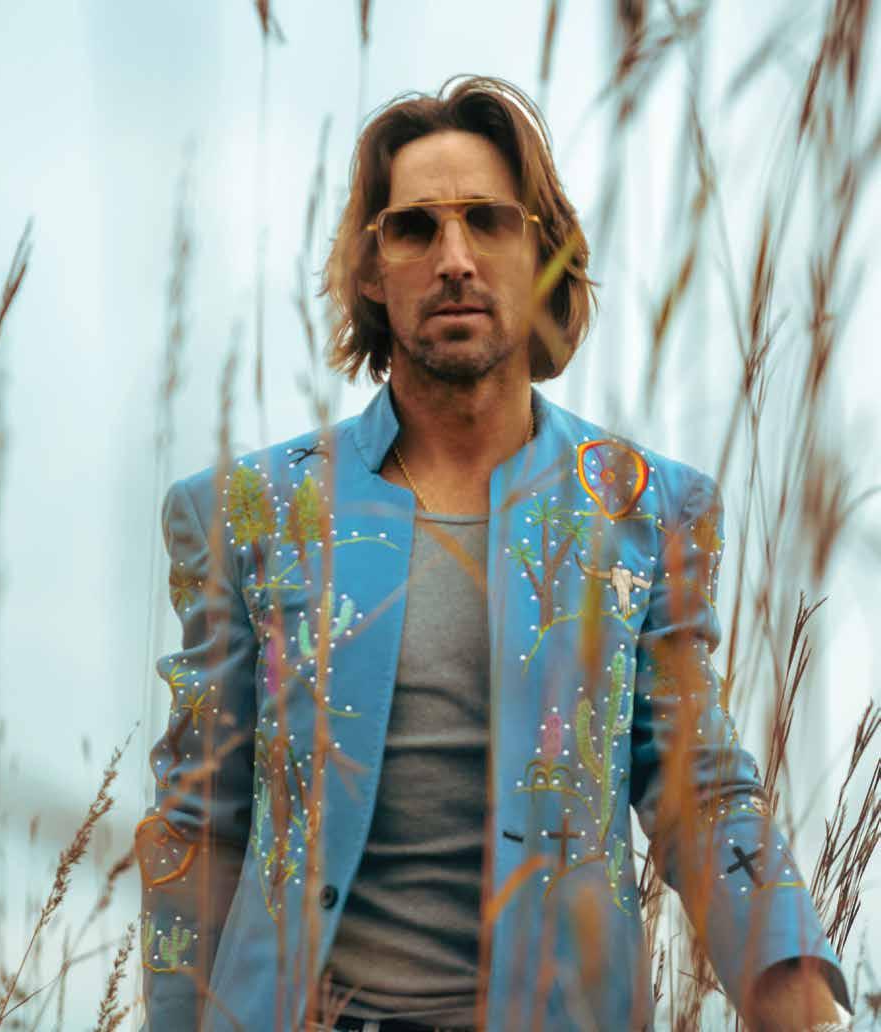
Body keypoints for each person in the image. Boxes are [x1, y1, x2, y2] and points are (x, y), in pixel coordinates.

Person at [135, 75, 853, 1032]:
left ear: (543, 257)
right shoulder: (248, 512)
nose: (455, 259)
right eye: (414, 229)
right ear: (371, 271)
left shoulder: (648, 510)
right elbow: (198, 824)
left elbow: (698, 788)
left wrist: (793, 989)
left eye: (489, 221)